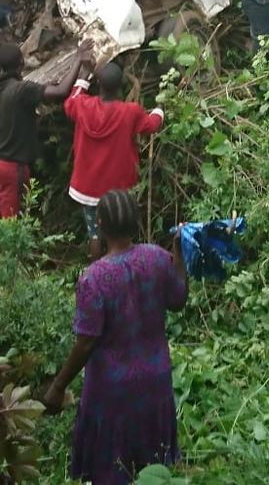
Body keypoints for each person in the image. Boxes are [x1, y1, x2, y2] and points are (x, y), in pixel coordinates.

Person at [44, 190, 188, 485]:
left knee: (111, 472)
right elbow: (178, 300)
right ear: (135, 221)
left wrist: (58, 386)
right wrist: (179, 256)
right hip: (155, 384)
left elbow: (86, 342)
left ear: (100, 224)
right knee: (152, 472)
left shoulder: (93, 278)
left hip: (112, 395)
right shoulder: (157, 258)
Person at [64, 62, 164, 259]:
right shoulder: (130, 111)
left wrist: (83, 77)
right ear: (120, 87)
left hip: (87, 187)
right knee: (119, 236)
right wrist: (160, 109)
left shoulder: (82, 105)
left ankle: (97, 271)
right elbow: (151, 125)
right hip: (118, 190)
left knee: (95, 234)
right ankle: (118, 271)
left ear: (99, 85)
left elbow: (70, 101)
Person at [0, 40, 93, 217]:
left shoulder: (6, 89)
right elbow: (61, 91)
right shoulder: (21, 89)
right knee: (10, 222)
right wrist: (78, 60)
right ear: (22, 63)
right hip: (13, 168)